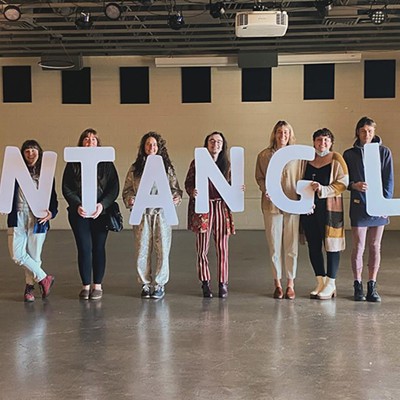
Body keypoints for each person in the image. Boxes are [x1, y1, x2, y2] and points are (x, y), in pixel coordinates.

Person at [122, 132, 182, 299]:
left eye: (154, 144)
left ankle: (160, 283)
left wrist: (175, 197)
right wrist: (130, 199)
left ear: (159, 147)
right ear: (143, 148)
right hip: (142, 214)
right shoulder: (135, 169)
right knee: (142, 248)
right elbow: (127, 190)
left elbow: (175, 189)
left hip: (161, 214)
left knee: (162, 248)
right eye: (148, 144)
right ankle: (145, 284)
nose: (151, 147)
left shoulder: (167, 168)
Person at [62, 128, 119, 301]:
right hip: (79, 213)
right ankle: (86, 286)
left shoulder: (107, 163)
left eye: (94, 139)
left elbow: (113, 188)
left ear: (98, 143)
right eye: (86, 139)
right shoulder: (72, 162)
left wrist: (102, 205)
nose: (90, 142)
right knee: (84, 248)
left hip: (100, 213)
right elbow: (66, 187)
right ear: (81, 143)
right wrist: (77, 204)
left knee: (99, 248)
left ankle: (98, 286)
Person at [343, 117, 393, 302]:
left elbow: (388, 179)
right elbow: (343, 180)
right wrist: (354, 185)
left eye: (370, 131)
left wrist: (385, 203)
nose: (367, 134)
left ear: (374, 132)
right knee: (359, 246)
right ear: (357, 132)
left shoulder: (384, 152)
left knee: (375, 246)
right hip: (359, 206)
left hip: (378, 207)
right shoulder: (349, 154)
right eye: (363, 131)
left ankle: (372, 285)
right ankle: (357, 285)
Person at [185, 131, 235, 298]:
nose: (215, 144)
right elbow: (188, 183)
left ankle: (223, 283)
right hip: (203, 208)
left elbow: (233, 185)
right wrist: (193, 191)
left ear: (223, 145)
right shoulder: (197, 163)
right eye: (212, 141)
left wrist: (238, 190)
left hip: (221, 206)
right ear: (206, 144)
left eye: (219, 141)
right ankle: (205, 282)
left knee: (223, 247)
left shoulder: (227, 164)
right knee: (202, 247)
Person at [255, 121, 301, 300]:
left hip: (291, 204)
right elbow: (259, 178)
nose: (283, 135)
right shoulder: (264, 155)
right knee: (274, 246)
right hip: (271, 206)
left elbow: (302, 177)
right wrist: (264, 189)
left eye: (286, 132)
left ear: (290, 134)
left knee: (291, 246)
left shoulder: (297, 156)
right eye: (279, 132)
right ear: (274, 134)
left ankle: (290, 283)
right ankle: (277, 283)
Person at [301, 128, 348, 300]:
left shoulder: (337, 158)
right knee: (313, 244)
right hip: (309, 209)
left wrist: (323, 189)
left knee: (332, 245)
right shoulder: (306, 159)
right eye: (319, 140)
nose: (322, 143)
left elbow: (344, 182)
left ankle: (331, 283)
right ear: (314, 142)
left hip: (330, 207)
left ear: (331, 142)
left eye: (326, 140)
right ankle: (320, 281)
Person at [8, 140, 58, 302]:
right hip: (18, 216)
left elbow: (53, 199)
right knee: (17, 254)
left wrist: (51, 214)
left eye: (33, 150)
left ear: (39, 152)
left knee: (34, 255)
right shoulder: (14, 172)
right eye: (27, 151)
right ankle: (44, 278)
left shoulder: (46, 173)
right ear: (22, 154)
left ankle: (29, 288)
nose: (30, 154)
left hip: (38, 219)